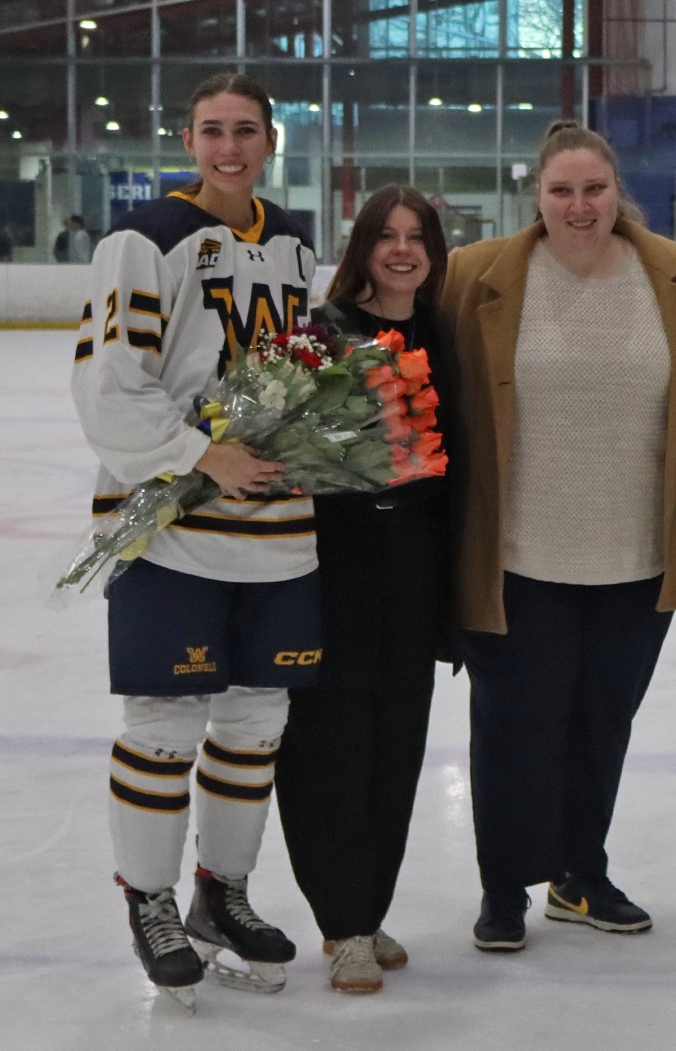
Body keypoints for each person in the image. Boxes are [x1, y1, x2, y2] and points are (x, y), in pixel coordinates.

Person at [438, 119, 676, 952]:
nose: (578, 206)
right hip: (517, 556)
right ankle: (504, 887)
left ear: (617, 192)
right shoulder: (477, 276)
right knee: (510, 726)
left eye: (593, 189)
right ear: (537, 195)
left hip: (636, 559)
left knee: (602, 723)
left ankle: (580, 875)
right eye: (561, 191)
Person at [72, 71, 316, 1010]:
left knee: (257, 722)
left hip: (281, 530)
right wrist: (195, 455)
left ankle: (226, 894)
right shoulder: (145, 238)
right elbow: (110, 384)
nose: (230, 147)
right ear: (188, 139)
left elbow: (299, 370)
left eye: (246, 130)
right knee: (165, 726)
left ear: (270, 141)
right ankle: (151, 899)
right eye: (213, 130)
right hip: (172, 524)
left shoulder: (291, 240)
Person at [273, 185, 463, 993]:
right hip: (336, 566)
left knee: (397, 743)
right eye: (386, 235)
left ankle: (367, 906)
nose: (402, 249)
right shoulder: (322, 334)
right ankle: (342, 919)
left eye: (417, 236)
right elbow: (284, 452)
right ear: (362, 247)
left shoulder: (444, 334)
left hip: (415, 565)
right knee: (332, 745)